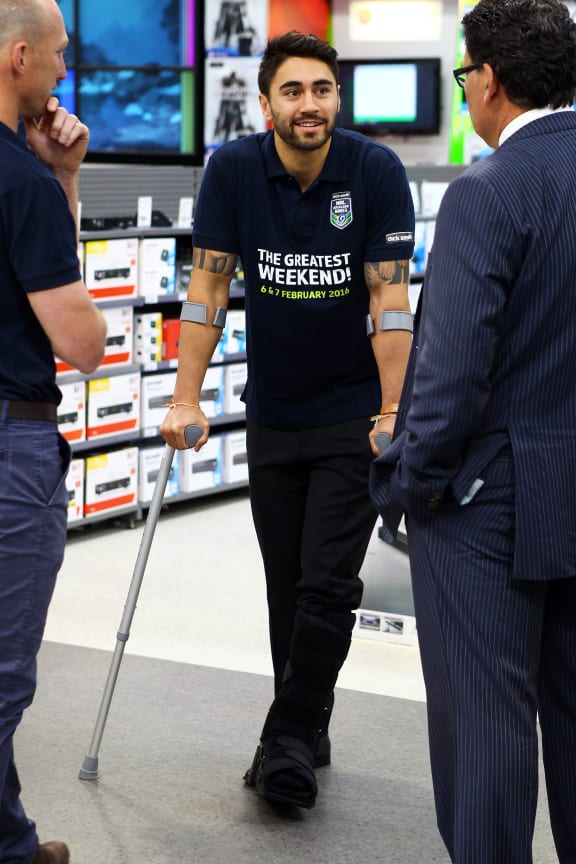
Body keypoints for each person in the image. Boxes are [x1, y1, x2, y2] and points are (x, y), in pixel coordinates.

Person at [160, 30, 414, 810]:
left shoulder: (374, 171)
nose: (312, 104)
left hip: (349, 413)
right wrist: (184, 396)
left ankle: (288, 740)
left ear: (339, 96)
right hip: (274, 409)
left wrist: (393, 409)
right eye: (295, 91)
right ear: (266, 101)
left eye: (324, 89)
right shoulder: (233, 170)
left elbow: (388, 298)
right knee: (287, 585)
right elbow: (207, 290)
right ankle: (309, 719)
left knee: (328, 583)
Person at [369, 0, 576, 860]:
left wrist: (403, 484)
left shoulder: (487, 193)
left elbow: (448, 379)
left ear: (488, 80)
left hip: (487, 507)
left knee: (487, 733)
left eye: (464, 78)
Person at [0, 0, 107, 861]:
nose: (63, 74)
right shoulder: (23, 180)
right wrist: (64, 180)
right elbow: (82, 344)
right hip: (11, 447)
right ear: (19, 57)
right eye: (59, 56)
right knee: (1, 676)